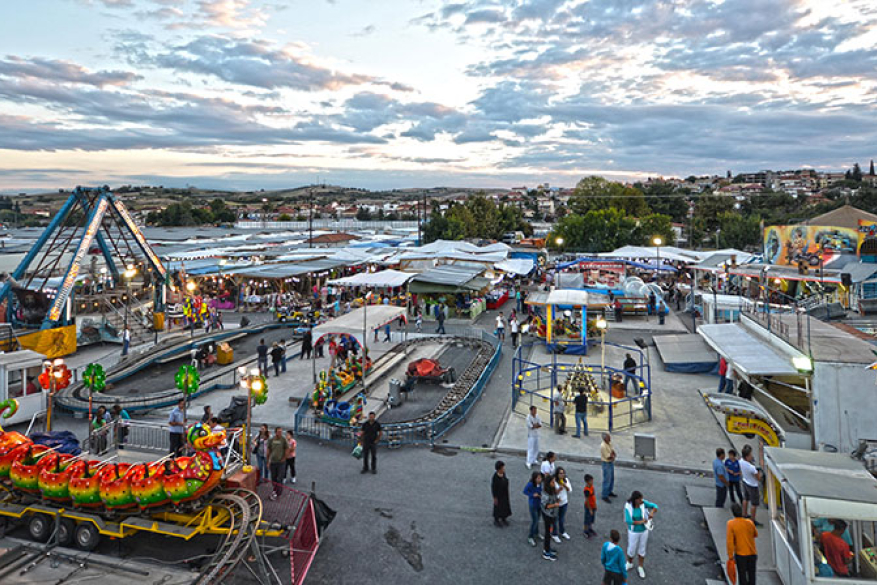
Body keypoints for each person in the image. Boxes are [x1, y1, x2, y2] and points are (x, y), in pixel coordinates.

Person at [624, 490, 659, 579]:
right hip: (633, 531)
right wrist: (641, 521)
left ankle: (640, 567)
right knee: (631, 548)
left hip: (644, 530)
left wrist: (652, 512)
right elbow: (628, 521)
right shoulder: (628, 506)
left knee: (642, 549)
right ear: (635, 500)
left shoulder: (643, 503)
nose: (642, 501)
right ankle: (629, 563)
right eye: (640, 499)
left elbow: (655, 506)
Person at [727, 502, 758, 585]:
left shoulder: (731, 524)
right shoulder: (750, 522)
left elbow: (730, 542)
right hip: (752, 553)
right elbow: (755, 534)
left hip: (741, 554)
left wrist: (730, 557)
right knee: (752, 576)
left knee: (742, 576)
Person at [740, 445, 763, 527]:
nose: (752, 456)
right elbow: (759, 478)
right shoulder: (751, 467)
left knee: (745, 498)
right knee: (754, 503)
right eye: (750, 455)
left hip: (745, 481)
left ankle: (744, 514)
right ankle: (752, 520)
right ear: (747, 456)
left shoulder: (741, 461)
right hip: (752, 485)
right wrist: (760, 472)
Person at [540, 476, 560, 561]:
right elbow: (546, 505)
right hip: (548, 515)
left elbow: (554, 497)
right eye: (552, 482)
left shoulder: (552, 490)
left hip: (552, 514)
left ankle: (548, 548)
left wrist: (557, 500)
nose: (554, 483)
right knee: (548, 534)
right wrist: (555, 505)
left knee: (550, 533)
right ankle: (546, 552)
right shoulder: (545, 493)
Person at [267, 427, 288, 500]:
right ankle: (275, 490)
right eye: (278, 432)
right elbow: (268, 450)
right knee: (273, 478)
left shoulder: (283, 439)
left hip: (281, 463)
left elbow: (286, 449)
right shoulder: (271, 440)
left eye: (281, 432)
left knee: (279, 478)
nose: (280, 433)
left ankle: (277, 492)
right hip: (273, 462)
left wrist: (284, 458)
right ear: (275, 432)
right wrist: (268, 461)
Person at [523, 472, 543, 547]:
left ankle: (536, 533)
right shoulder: (530, 484)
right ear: (534, 478)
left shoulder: (540, 484)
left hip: (539, 504)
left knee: (538, 519)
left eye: (540, 478)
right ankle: (530, 536)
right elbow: (525, 491)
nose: (540, 479)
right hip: (533, 504)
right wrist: (532, 495)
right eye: (538, 478)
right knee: (535, 520)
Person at [491, 461, 511, 527]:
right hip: (498, 495)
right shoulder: (495, 477)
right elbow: (493, 487)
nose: (504, 469)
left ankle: (503, 518)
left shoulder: (503, 474)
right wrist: (495, 497)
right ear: (499, 469)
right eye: (502, 468)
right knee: (498, 507)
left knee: (505, 506)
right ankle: (496, 520)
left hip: (504, 494)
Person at [554, 467, 571, 541]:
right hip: (556, 503)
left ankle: (562, 531)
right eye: (560, 473)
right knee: (555, 519)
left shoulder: (566, 480)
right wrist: (559, 490)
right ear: (557, 474)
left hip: (564, 502)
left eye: (563, 473)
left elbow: (570, 490)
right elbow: (552, 493)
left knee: (562, 518)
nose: (562, 474)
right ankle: (554, 534)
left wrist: (564, 485)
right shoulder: (554, 481)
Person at [601, 433, 617, 503]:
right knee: (607, 479)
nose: (610, 439)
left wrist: (613, 454)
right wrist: (613, 457)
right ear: (605, 439)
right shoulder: (603, 446)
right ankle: (604, 495)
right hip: (606, 463)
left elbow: (612, 450)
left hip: (610, 462)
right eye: (608, 438)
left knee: (611, 478)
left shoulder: (609, 444)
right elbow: (608, 456)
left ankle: (609, 491)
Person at [526, 405, 541, 469]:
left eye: (536, 410)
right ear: (531, 411)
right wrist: (535, 425)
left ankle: (534, 460)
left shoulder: (537, 416)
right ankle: (528, 462)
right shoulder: (528, 418)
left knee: (536, 448)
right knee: (531, 449)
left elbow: (540, 424)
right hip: (531, 435)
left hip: (536, 434)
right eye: (534, 410)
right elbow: (531, 426)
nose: (535, 411)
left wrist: (535, 425)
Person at [583, 473, 597, 538]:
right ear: (587, 482)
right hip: (589, 507)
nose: (592, 482)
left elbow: (593, 496)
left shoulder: (592, 487)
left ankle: (590, 528)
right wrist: (590, 509)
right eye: (591, 481)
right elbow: (587, 500)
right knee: (587, 519)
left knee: (591, 519)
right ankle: (585, 531)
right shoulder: (586, 490)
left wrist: (595, 505)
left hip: (593, 505)